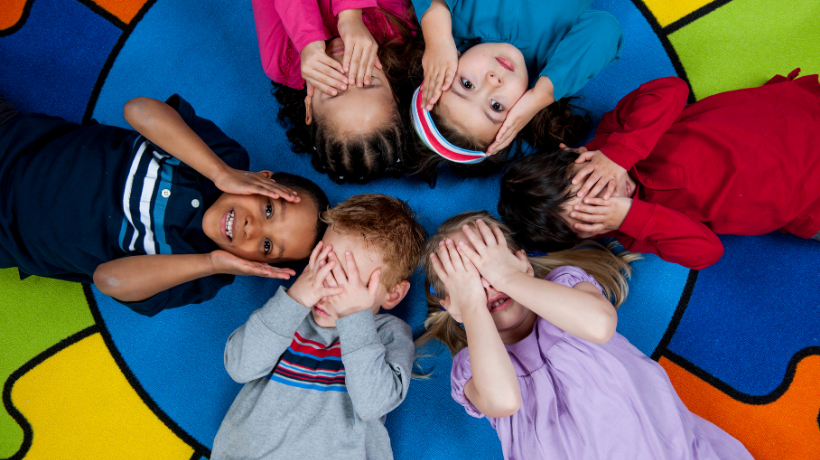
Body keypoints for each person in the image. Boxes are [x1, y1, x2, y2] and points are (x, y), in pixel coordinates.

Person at [417, 211, 754, 459]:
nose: (487, 284)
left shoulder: (566, 286)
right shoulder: (471, 368)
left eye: (489, 266)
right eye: (469, 280)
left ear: (522, 263)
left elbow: (599, 325)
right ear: (453, 307)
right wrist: (473, 304)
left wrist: (507, 278)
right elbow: (504, 401)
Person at [0, 94, 329, 316]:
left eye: (268, 245)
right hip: (13, 139)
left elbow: (108, 280)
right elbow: (138, 110)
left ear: (259, 264)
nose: (252, 228)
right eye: (269, 210)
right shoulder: (223, 157)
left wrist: (210, 263)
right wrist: (220, 172)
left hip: (7, 234)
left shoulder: (201, 276)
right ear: (263, 180)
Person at [498, 70, 820, 269]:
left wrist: (618, 154)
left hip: (794, 121)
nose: (609, 195)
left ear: (575, 154)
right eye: (593, 213)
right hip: (804, 200)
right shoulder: (637, 231)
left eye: (591, 184)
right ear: (590, 233)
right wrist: (630, 216)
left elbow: (671, 89)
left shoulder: (616, 134)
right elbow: (708, 251)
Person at [211, 194, 426, 460]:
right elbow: (239, 366)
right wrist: (296, 298)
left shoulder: (388, 333)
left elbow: (373, 403)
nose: (327, 288)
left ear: (392, 295)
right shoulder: (288, 314)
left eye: (348, 281)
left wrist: (354, 318)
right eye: (324, 264)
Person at [407, 0, 621, 185]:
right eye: (496, 106)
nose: (493, 81)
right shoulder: (554, 66)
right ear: (518, 118)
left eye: (467, 84)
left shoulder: (459, 20)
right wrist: (540, 96)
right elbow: (606, 28)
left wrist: (438, 39)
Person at [254, 0, 424, 183]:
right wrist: (350, 16)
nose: (346, 67)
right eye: (367, 81)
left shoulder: (280, 60)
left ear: (309, 107)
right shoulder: (394, 28)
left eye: (335, 89)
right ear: (394, 93)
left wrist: (306, 38)